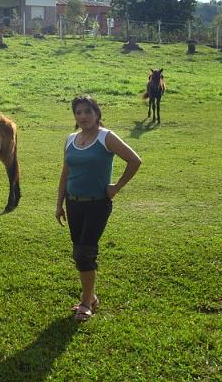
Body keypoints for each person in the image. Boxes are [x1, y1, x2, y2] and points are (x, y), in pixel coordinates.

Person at [56, 95, 141, 321]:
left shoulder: (106, 137)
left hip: (97, 204)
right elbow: (66, 173)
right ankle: (91, 297)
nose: (83, 116)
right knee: (79, 252)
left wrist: (117, 186)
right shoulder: (71, 139)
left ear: (97, 114)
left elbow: (135, 160)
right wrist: (59, 204)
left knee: (84, 252)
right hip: (73, 203)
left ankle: (86, 302)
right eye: (78, 112)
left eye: (87, 111)